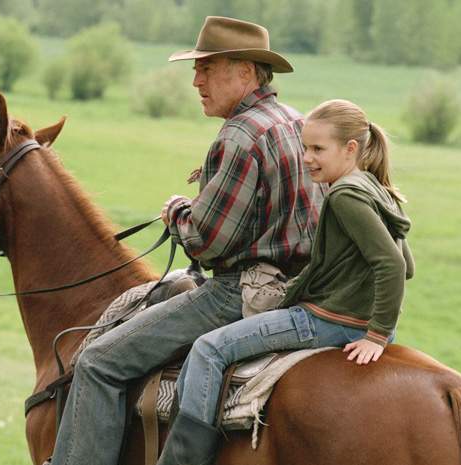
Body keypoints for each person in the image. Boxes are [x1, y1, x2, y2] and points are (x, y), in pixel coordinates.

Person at [47, 16, 324, 465]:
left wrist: (177, 211)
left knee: (98, 361)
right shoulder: (297, 121)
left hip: (238, 293)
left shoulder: (240, 134)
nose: (196, 80)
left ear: (246, 71)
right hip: (302, 288)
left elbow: (207, 243)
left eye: (207, 68)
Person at [157, 99, 415, 465]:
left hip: (328, 321)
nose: (307, 158)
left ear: (351, 148)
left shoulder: (343, 196)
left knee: (208, 350)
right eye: (304, 148)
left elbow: (389, 263)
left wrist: (376, 334)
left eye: (318, 149)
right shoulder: (375, 188)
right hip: (350, 318)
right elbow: (407, 264)